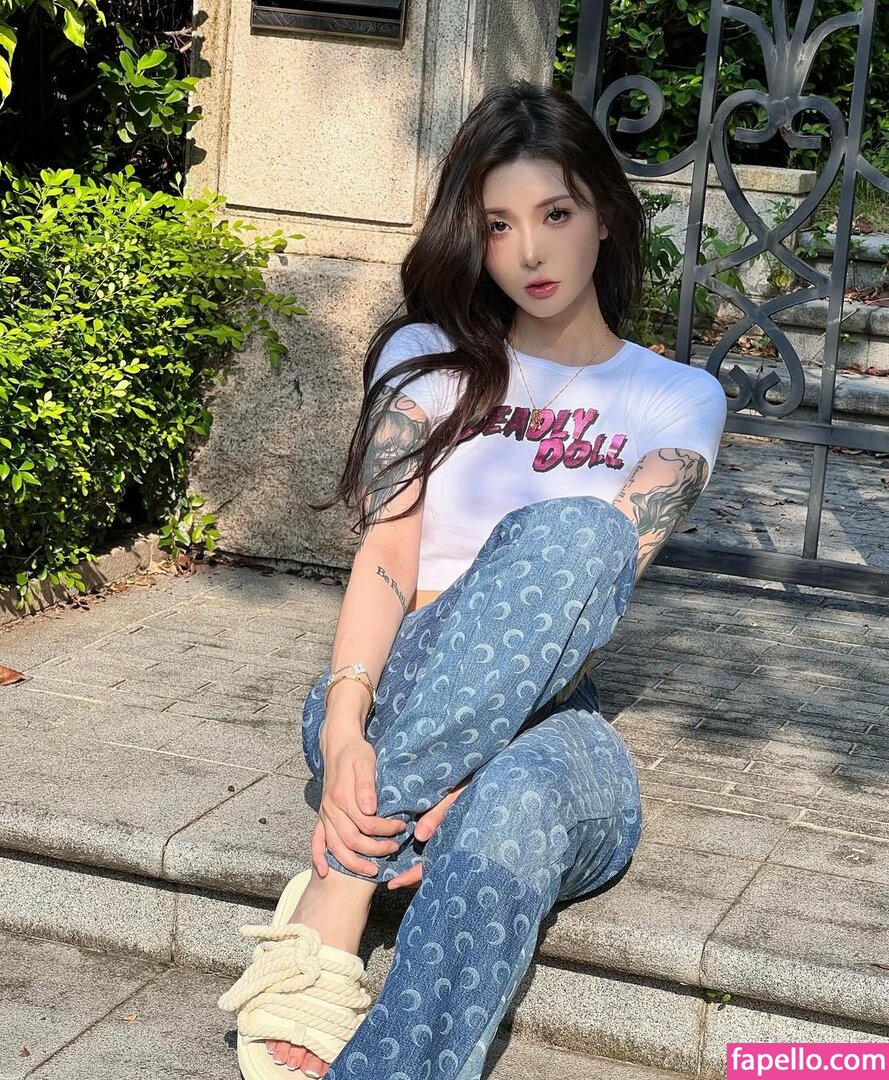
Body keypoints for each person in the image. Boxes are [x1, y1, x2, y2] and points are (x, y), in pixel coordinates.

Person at [218, 78, 727, 1079]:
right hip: (393, 687)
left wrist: (474, 764)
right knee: (493, 782)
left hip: (548, 709)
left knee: (576, 552)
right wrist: (344, 724)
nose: (528, 252)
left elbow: (590, 591)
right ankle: (366, 861)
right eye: (497, 225)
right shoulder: (426, 359)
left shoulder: (675, 396)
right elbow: (388, 554)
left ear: (605, 216)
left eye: (554, 214)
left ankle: (338, 892)